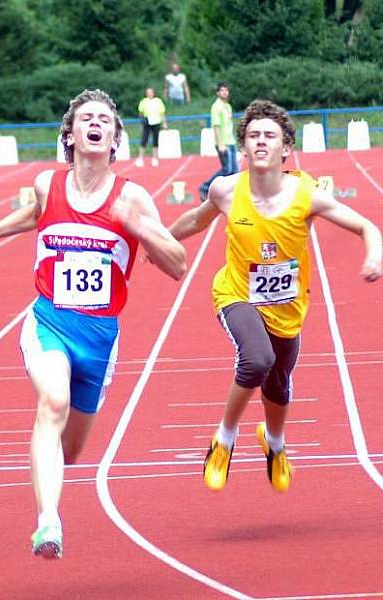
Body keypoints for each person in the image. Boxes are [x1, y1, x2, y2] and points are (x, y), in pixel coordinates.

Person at [0, 89, 186, 559]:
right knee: (51, 402)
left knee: (71, 451)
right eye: (86, 119)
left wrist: (138, 228)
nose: (95, 124)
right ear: (71, 135)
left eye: (105, 120)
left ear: (116, 138)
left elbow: (177, 264)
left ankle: (51, 497)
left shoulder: (133, 196)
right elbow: (35, 213)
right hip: (49, 321)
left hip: (100, 338)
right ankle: (48, 522)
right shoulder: (46, 183)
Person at [167, 99, 382, 494]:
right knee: (256, 360)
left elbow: (366, 226)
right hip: (236, 293)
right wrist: (161, 239)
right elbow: (196, 219)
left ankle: (275, 445)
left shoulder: (307, 195)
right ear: (244, 148)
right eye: (252, 136)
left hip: (286, 308)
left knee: (278, 385)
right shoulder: (227, 190)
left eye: (270, 135)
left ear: (286, 149)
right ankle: (224, 440)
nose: (260, 141)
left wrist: (375, 252)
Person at [199, 82, 238, 202]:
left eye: (226, 90)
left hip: (231, 141)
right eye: (222, 90)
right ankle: (205, 187)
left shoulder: (227, 106)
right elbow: (216, 126)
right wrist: (220, 143)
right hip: (223, 142)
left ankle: (231, 194)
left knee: (234, 171)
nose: (224, 93)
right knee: (227, 169)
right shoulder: (216, 107)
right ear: (218, 93)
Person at [135, 87, 167, 168]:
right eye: (148, 92)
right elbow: (140, 113)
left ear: (153, 93)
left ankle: (155, 158)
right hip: (147, 122)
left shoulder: (158, 101)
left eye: (151, 92)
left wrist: (164, 123)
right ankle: (140, 158)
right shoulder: (143, 101)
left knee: (155, 140)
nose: (149, 94)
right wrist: (141, 121)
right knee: (144, 139)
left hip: (156, 122)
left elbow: (162, 113)